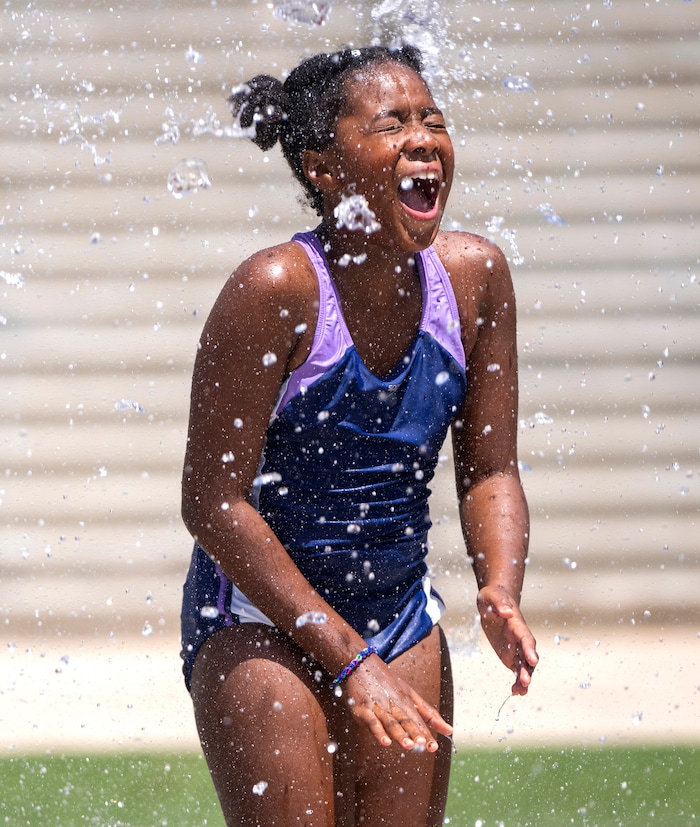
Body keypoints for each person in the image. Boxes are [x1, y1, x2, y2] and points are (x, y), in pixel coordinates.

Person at [180, 45, 538, 827]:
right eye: (392, 124)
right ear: (326, 168)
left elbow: (490, 469)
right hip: (259, 619)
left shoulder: (476, 278)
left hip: (400, 612)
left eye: (432, 121)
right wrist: (347, 658)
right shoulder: (275, 289)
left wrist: (499, 586)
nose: (422, 139)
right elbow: (212, 502)